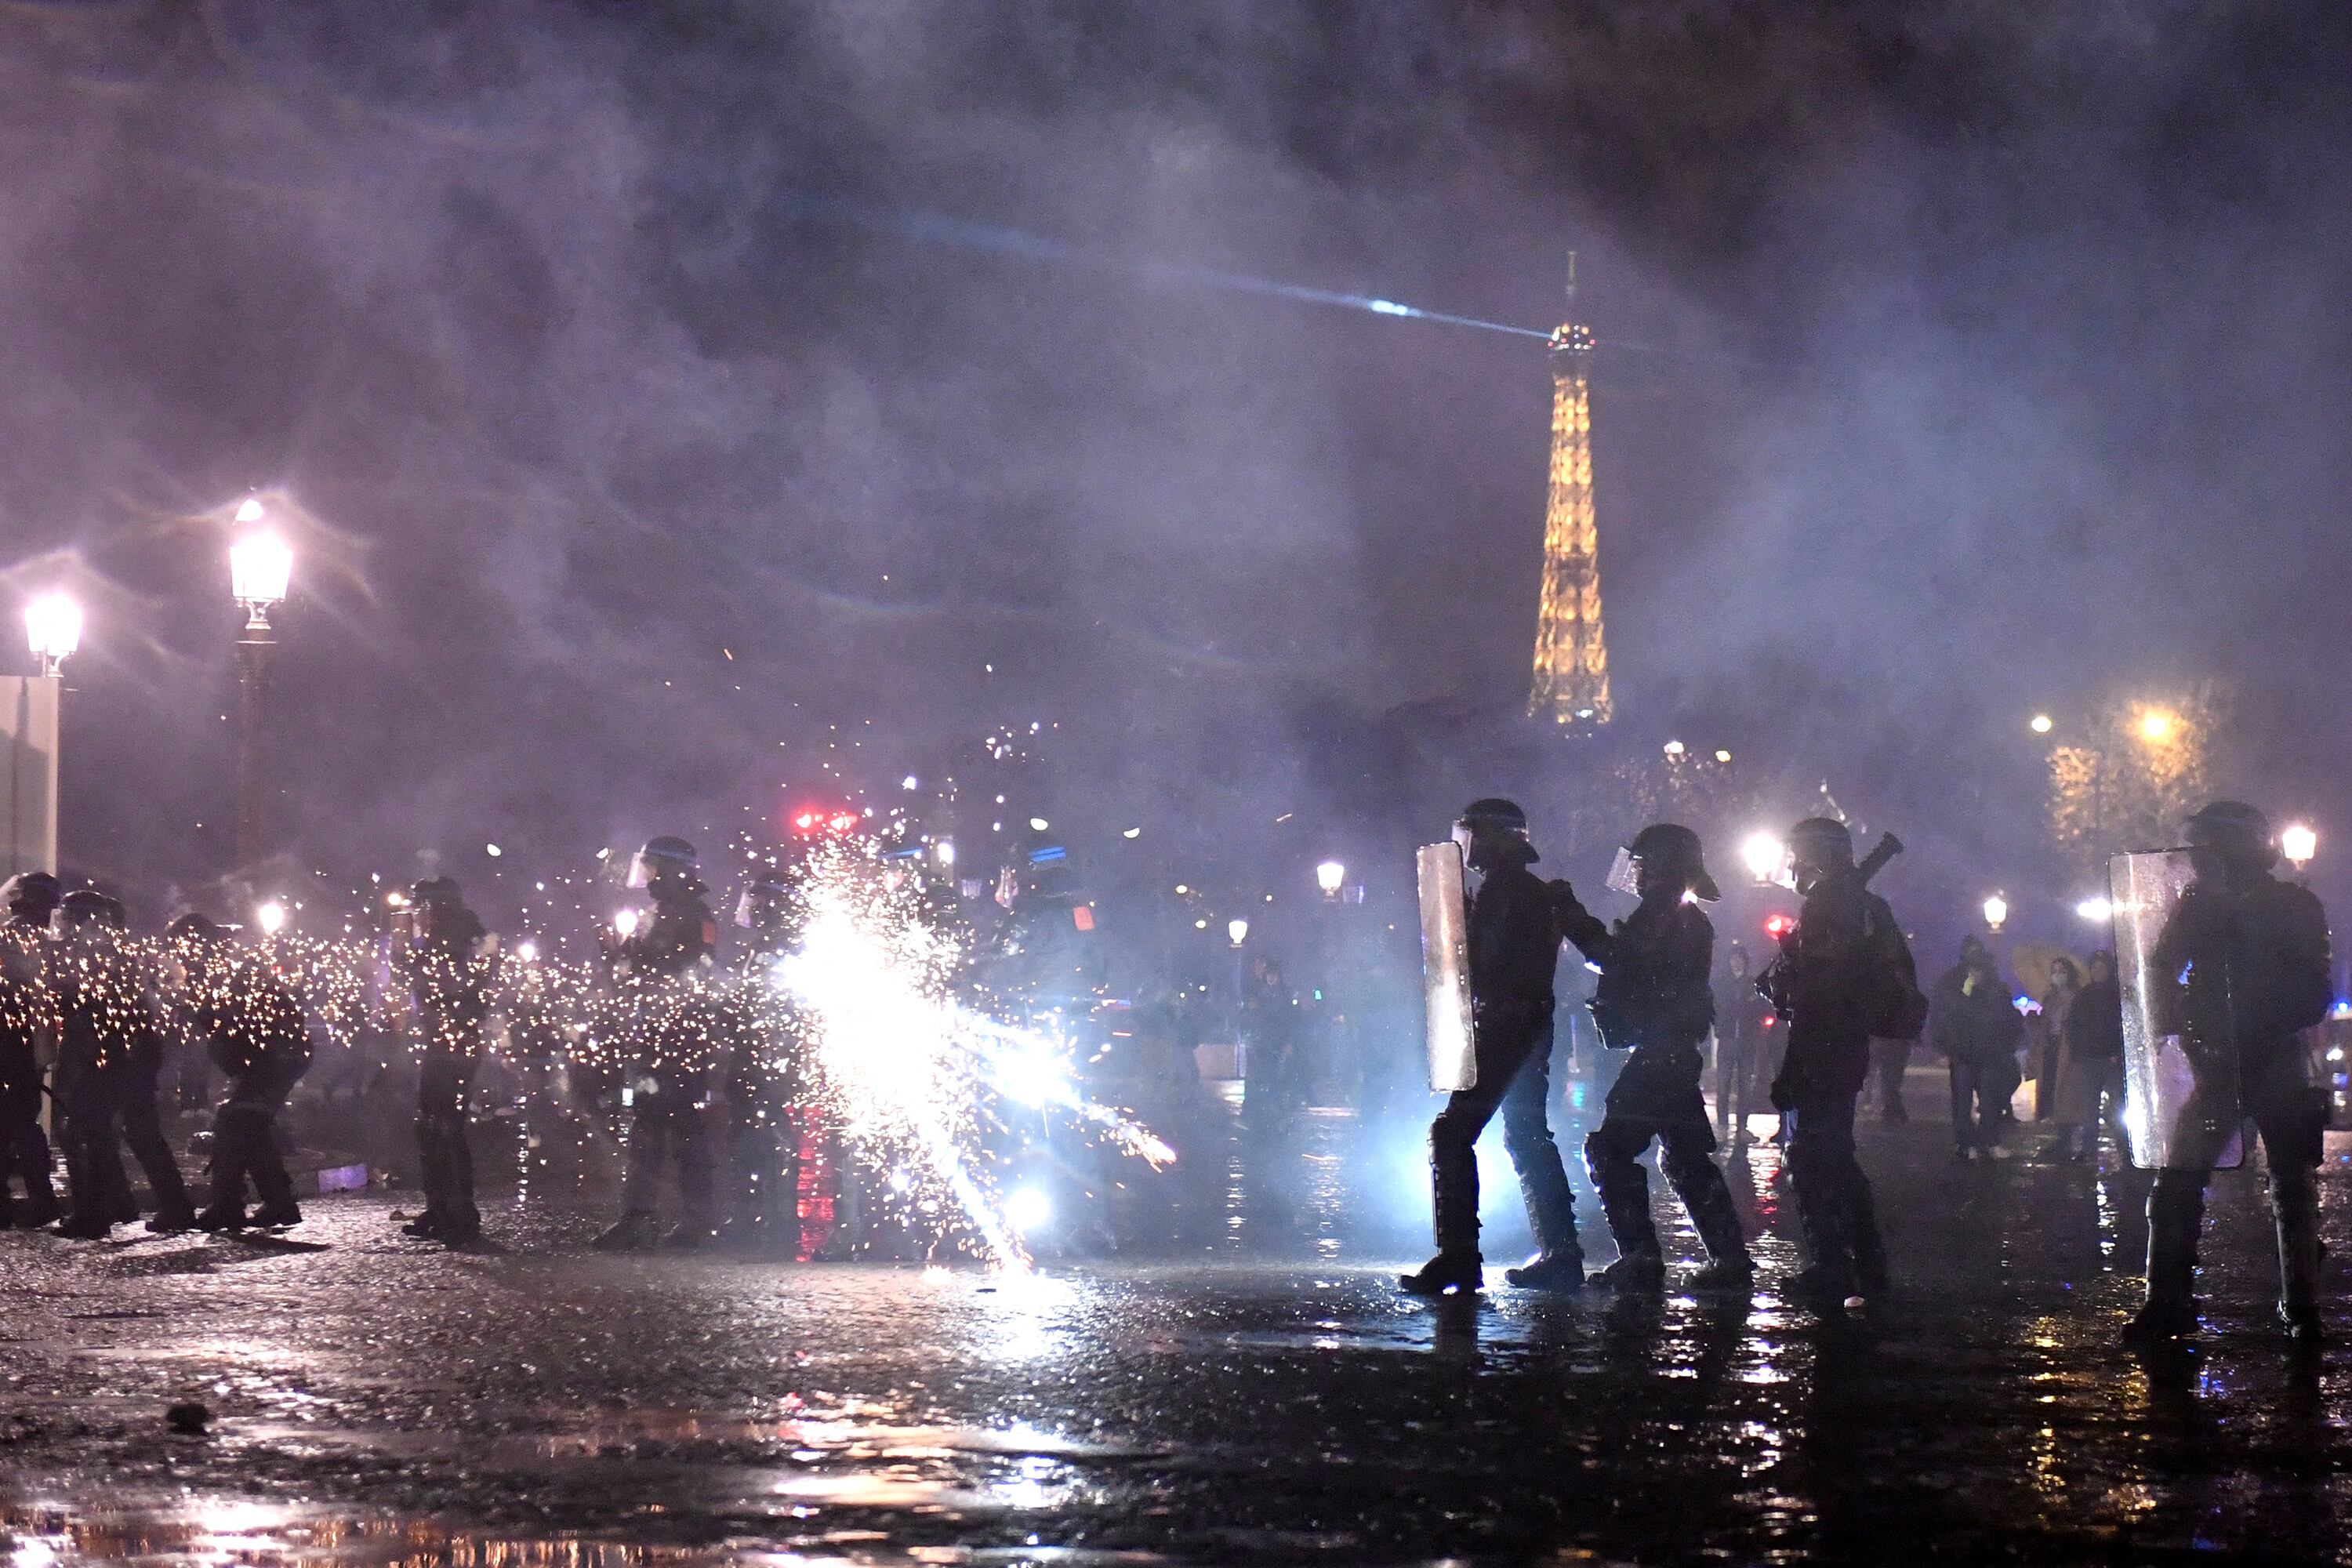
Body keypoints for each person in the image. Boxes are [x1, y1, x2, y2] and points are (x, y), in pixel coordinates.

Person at [2128, 801, 2332, 1345]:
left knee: (2292, 1186)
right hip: (2219, 1060)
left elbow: (2315, 992)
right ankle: (2166, 1300)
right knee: (2176, 1182)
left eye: (2208, 849)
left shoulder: (2292, 905)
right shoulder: (2202, 905)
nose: (2197, 861)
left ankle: (2303, 1303)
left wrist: (2258, 1010)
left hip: (2274, 1059)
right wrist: (2175, 1014)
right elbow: (2161, 962)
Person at [1401, 799, 1583, 1296]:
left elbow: (1483, 967)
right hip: (1527, 1024)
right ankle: (1562, 1255)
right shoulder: (1522, 890)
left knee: (1452, 1133)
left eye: (1473, 835)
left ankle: (1458, 1258)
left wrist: (1455, 925)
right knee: (1526, 1135)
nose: (1468, 847)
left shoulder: (1507, 892)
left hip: (1508, 1025)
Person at [1559, 824, 1750, 1290]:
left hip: (1661, 1052)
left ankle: (1642, 1257)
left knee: (1609, 1150)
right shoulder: (1683, 916)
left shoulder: (1664, 914)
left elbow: (1620, 961)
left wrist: (1575, 922)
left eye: (1643, 864)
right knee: (1684, 1157)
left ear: (1663, 865)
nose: (1637, 874)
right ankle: (1730, 1261)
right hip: (1673, 1052)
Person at [1760, 818, 1920, 1306]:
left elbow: (1820, 991)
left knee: (1810, 1159)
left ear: (1815, 856)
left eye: (1797, 855)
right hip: (1840, 1046)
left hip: (1825, 1045)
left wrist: (1785, 976)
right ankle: (1868, 1266)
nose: (1791, 866)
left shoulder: (1831, 905)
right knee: (1835, 1160)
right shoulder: (1851, 904)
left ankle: (1832, 1268)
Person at [595, 835, 722, 1252]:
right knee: (649, 1127)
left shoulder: (691, 914)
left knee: (682, 1131)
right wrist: (617, 955)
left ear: (668, 870)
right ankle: (641, 1218)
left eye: (651, 867)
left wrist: (634, 960)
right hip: (656, 1036)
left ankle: (694, 1224)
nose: (645, 875)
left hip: (681, 1039)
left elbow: (689, 971)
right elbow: (637, 972)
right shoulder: (661, 911)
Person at [49, 889, 197, 1238]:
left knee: (83, 1131)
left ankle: (94, 1214)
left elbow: (90, 1006)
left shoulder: (99, 956)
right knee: (140, 1133)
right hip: (129, 1056)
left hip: (116, 1057)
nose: (66, 925)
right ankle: (174, 1209)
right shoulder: (112, 952)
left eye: (72, 918)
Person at [171, 914, 310, 1231]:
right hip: (272, 1055)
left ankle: (230, 1205)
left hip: (276, 1056)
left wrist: (197, 1012)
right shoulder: (216, 968)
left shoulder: (225, 969)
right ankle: (278, 1203)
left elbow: (232, 1022)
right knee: (249, 1125)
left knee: (235, 1120)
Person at [390, 877, 492, 1245]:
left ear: (435, 907)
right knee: (431, 1125)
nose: (416, 914)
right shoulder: (443, 938)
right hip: (442, 1040)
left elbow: (451, 986)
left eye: (420, 907)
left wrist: (411, 958)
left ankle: (460, 1211)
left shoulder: (460, 939)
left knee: (445, 1126)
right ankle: (441, 1207)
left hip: (457, 1042)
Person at [0, 871, 63, 1226]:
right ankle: (40, 1198)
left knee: (15, 1124)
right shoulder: (40, 937)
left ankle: (26, 1201)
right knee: (21, 1122)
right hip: (24, 1042)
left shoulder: (16, 935)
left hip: (11, 1042)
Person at [1931, 936, 2025, 1160]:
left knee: (1990, 1101)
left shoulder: (1996, 990)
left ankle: (1990, 1141)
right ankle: (1966, 1143)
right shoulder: (1952, 985)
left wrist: (2005, 1045)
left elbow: (2008, 1019)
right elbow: (1947, 1016)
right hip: (1963, 1052)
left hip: (1989, 1053)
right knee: (1962, 1102)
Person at [2052, 951, 2122, 1162]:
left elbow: (2122, 1027)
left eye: (2102, 968)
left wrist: (2116, 1052)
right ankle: (2088, 1149)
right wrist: (2078, 1053)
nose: (2098, 972)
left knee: (2118, 1106)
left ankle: (2125, 1147)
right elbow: (2073, 1026)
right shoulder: (2084, 996)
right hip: (2089, 1060)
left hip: (2110, 1060)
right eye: (2095, 968)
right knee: (2088, 1108)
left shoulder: (2116, 996)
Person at [1714, 942, 1771, 1154]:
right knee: (1723, 1086)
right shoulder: (1722, 984)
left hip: (1746, 1041)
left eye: (1739, 958)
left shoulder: (1752, 984)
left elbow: (1762, 1008)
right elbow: (1717, 1008)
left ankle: (1741, 1128)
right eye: (1733, 958)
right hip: (1728, 1039)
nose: (1736, 961)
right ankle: (1722, 1128)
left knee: (1744, 1086)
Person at [2030, 956, 2082, 1122]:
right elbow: (2044, 1026)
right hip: (2050, 1046)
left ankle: (2062, 1119)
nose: (2058, 975)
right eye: (2055, 971)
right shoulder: (2050, 998)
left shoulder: (2076, 997)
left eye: (2061, 971)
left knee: (2064, 1085)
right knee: (2048, 1081)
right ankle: (2047, 1114)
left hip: (2066, 1047)